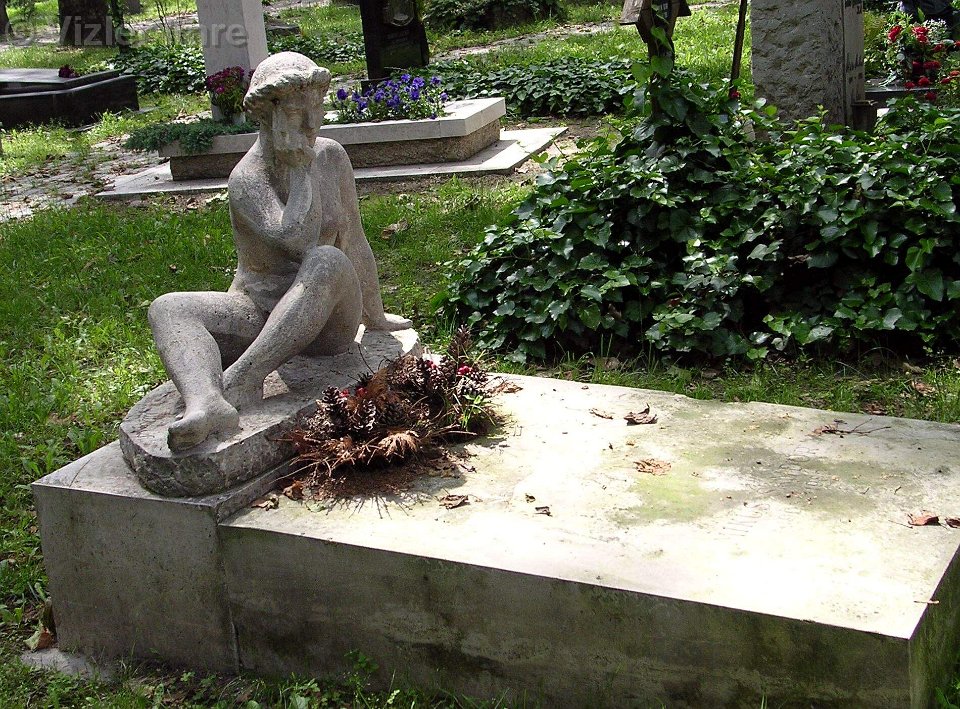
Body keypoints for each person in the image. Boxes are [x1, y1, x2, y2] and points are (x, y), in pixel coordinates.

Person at [148, 52, 411, 452]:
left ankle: (243, 378)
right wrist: (300, 172)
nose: (311, 123)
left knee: (326, 259)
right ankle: (205, 402)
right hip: (259, 312)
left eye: (317, 109)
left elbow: (352, 239)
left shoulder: (331, 156)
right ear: (267, 116)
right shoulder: (247, 178)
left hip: (327, 320)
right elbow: (293, 238)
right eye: (295, 113)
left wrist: (374, 316)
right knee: (169, 308)